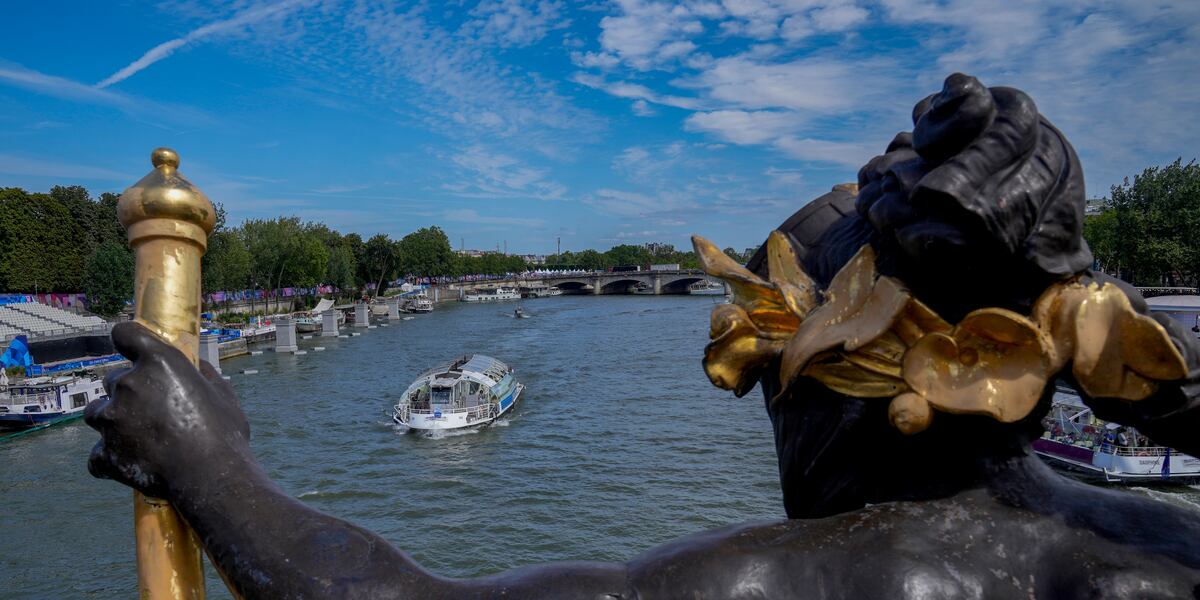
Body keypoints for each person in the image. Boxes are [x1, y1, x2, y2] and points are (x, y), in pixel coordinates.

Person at [87, 74, 1200, 598]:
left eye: (762, 357)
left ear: (853, 359)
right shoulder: (1153, 540)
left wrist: (206, 462)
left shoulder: (840, 580)